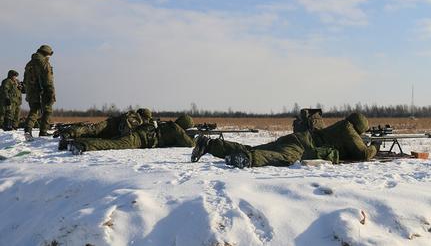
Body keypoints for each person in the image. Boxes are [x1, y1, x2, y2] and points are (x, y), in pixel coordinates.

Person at [191, 112, 377, 168]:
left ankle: (209, 145)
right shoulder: (349, 130)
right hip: (303, 146)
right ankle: (247, 159)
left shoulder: (343, 126)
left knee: (255, 147)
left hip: (298, 137)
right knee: (280, 157)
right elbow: (363, 154)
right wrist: (375, 146)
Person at [68, 114, 196, 154]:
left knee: (112, 140)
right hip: (139, 139)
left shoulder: (169, 125)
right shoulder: (176, 129)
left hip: (138, 134)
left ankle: (73, 141)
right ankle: (82, 145)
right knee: (114, 144)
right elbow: (190, 144)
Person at [55, 108, 154, 150]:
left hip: (109, 124)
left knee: (91, 130)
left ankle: (69, 133)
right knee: (103, 141)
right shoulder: (139, 120)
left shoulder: (130, 114)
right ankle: (74, 143)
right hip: (115, 132)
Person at [23, 44, 56, 139]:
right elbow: (48, 79)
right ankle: (43, 132)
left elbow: (25, 79)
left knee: (34, 110)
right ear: (46, 54)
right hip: (44, 90)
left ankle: (28, 131)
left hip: (31, 91)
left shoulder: (29, 63)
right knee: (48, 110)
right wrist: (50, 91)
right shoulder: (44, 63)